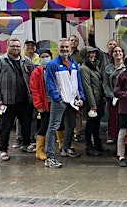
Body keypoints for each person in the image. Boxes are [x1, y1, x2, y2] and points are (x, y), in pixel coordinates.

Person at [0, 38, 35, 161]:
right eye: (13, 46)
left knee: (26, 124)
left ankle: (26, 144)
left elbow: (33, 79)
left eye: (17, 46)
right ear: (7, 47)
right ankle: (3, 150)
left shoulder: (27, 61)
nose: (15, 48)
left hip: (25, 100)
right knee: (6, 126)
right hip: (8, 100)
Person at [44, 38, 86, 168]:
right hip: (60, 101)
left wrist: (81, 97)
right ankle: (49, 157)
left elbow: (77, 82)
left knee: (71, 124)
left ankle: (66, 148)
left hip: (72, 101)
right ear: (58, 48)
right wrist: (57, 98)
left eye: (67, 47)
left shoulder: (73, 64)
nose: (65, 50)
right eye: (62, 47)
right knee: (53, 127)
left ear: (70, 48)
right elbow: (49, 84)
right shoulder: (52, 64)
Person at [30, 49, 65, 161]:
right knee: (44, 125)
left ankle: (61, 144)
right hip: (45, 103)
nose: (45, 59)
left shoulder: (55, 68)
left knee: (60, 123)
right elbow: (34, 90)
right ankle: (40, 150)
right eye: (43, 57)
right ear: (39, 58)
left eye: (47, 56)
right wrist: (38, 104)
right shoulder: (37, 72)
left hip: (57, 101)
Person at [13, 39, 40, 149]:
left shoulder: (38, 58)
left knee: (33, 116)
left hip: (34, 92)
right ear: (24, 47)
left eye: (32, 46)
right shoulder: (20, 57)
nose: (30, 47)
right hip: (22, 92)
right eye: (28, 45)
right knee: (21, 117)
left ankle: (31, 136)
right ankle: (19, 138)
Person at [80, 46, 107, 156]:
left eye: (93, 53)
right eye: (90, 53)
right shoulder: (84, 69)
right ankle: (89, 147)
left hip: (98, 101)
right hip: (92, 103)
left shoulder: (94, 66)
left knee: (96, 125)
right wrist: (93, 105)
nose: (92, 55)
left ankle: (97, 145)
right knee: (90, 125)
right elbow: (87, 87)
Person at [103, 46, 125, 144]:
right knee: (112, 117)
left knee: (123, 118)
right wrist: (112, 96)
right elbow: (105, 84)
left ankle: (124, 138)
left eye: (120, 51)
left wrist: (122, 95)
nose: (117, 53)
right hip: (112, 98)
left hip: (124, 99)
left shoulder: (126, 68)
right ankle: (112, 136)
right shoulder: (108, 68)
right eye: (115, 51)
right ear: (112, 54)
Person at [68, 34, 84, 143]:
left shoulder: (80, 55)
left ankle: (77, 132)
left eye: (75, 40)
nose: (73, 42)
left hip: (76, 85)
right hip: (65, 86)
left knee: (77, 110)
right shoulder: (63, 54)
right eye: (71, 40)